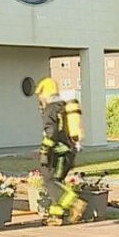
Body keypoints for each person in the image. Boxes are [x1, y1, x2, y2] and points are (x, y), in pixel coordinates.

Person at [35, 77, 86, 225]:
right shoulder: (62, 106)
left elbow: (51, 132)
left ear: (45, 93)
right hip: (69, 152)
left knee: (51, 181)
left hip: (59, 153)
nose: (39, 99)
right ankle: (56, 216)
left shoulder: (50, 109)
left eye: (40, 95)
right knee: (57, 183)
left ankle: (75, 203)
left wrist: (45, 150)